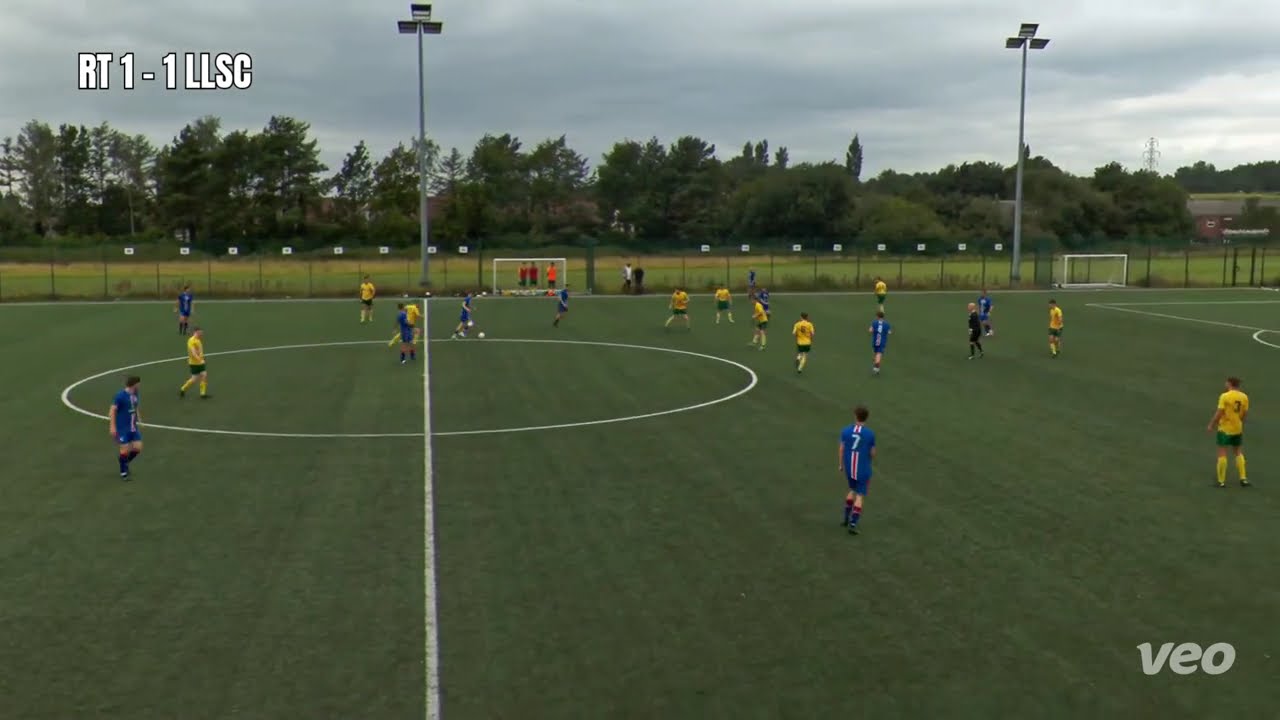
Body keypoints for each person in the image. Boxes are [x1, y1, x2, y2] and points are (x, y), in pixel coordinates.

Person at [838, 405, 877, 534]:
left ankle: (845, 519)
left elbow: (841, 449)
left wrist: (841, 464)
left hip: (850, 468)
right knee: (859, 495)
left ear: (855, 416)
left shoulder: (845, 431)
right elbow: (872, 453)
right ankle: (853, 524)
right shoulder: (870, 434)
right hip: (863, 469)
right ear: (866, 418)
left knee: (852, 490)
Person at [1208, 377, 1250, 488]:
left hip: (1225, 429)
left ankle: (1221, 481)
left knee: (1222, 453)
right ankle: (1243, 478)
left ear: (1230, 384)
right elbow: (1244, 414)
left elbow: (1219, 412)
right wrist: (1240, 422)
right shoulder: (1244, 397)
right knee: (1238, 452)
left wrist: (1212, 424)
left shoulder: (1225, 396)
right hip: (1237, 428)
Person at [109, 375, 143, 480]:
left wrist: (139, 417)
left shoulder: (135, 393)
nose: (140, 385)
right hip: (122, 427)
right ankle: (123, 473)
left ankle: (124, 462)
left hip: (133, 427)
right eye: (139, 383)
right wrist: (112, 426)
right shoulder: (120, 396)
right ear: (135, 384)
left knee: (138, 447)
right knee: (124, 449)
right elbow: (112, 410)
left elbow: (135, 405)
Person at [179, 327, 210, 398]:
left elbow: (199, 351)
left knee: (204, 375)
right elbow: (193, 353)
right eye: (200, 333)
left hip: (200, 362)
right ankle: (183, 388)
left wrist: (201, 358)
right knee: (194, 379)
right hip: (194, 363)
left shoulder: (198, 340)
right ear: (196, 332)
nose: (201, 334)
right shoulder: (191, 341)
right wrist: (200, 360)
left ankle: (203, 394)